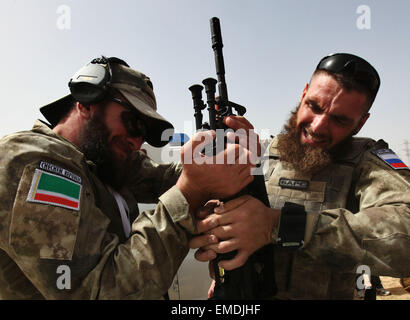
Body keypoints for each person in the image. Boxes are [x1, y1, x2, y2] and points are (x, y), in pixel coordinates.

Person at [0, 56, 257, 299]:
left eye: (145, 132)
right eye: (133, 122)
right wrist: (190, 194)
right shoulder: (31, 161)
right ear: (86, 101)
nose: (136, 140)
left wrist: (221, 156)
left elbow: (166, 177)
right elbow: (102, 289)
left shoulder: (103, 161)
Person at [190, 53, 410, 299]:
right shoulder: (263, 151)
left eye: (339, 119)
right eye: (314, 106)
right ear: (303, 94)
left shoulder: (365, 161)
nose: (317, 127)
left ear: (360, 124)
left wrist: (278, 224)